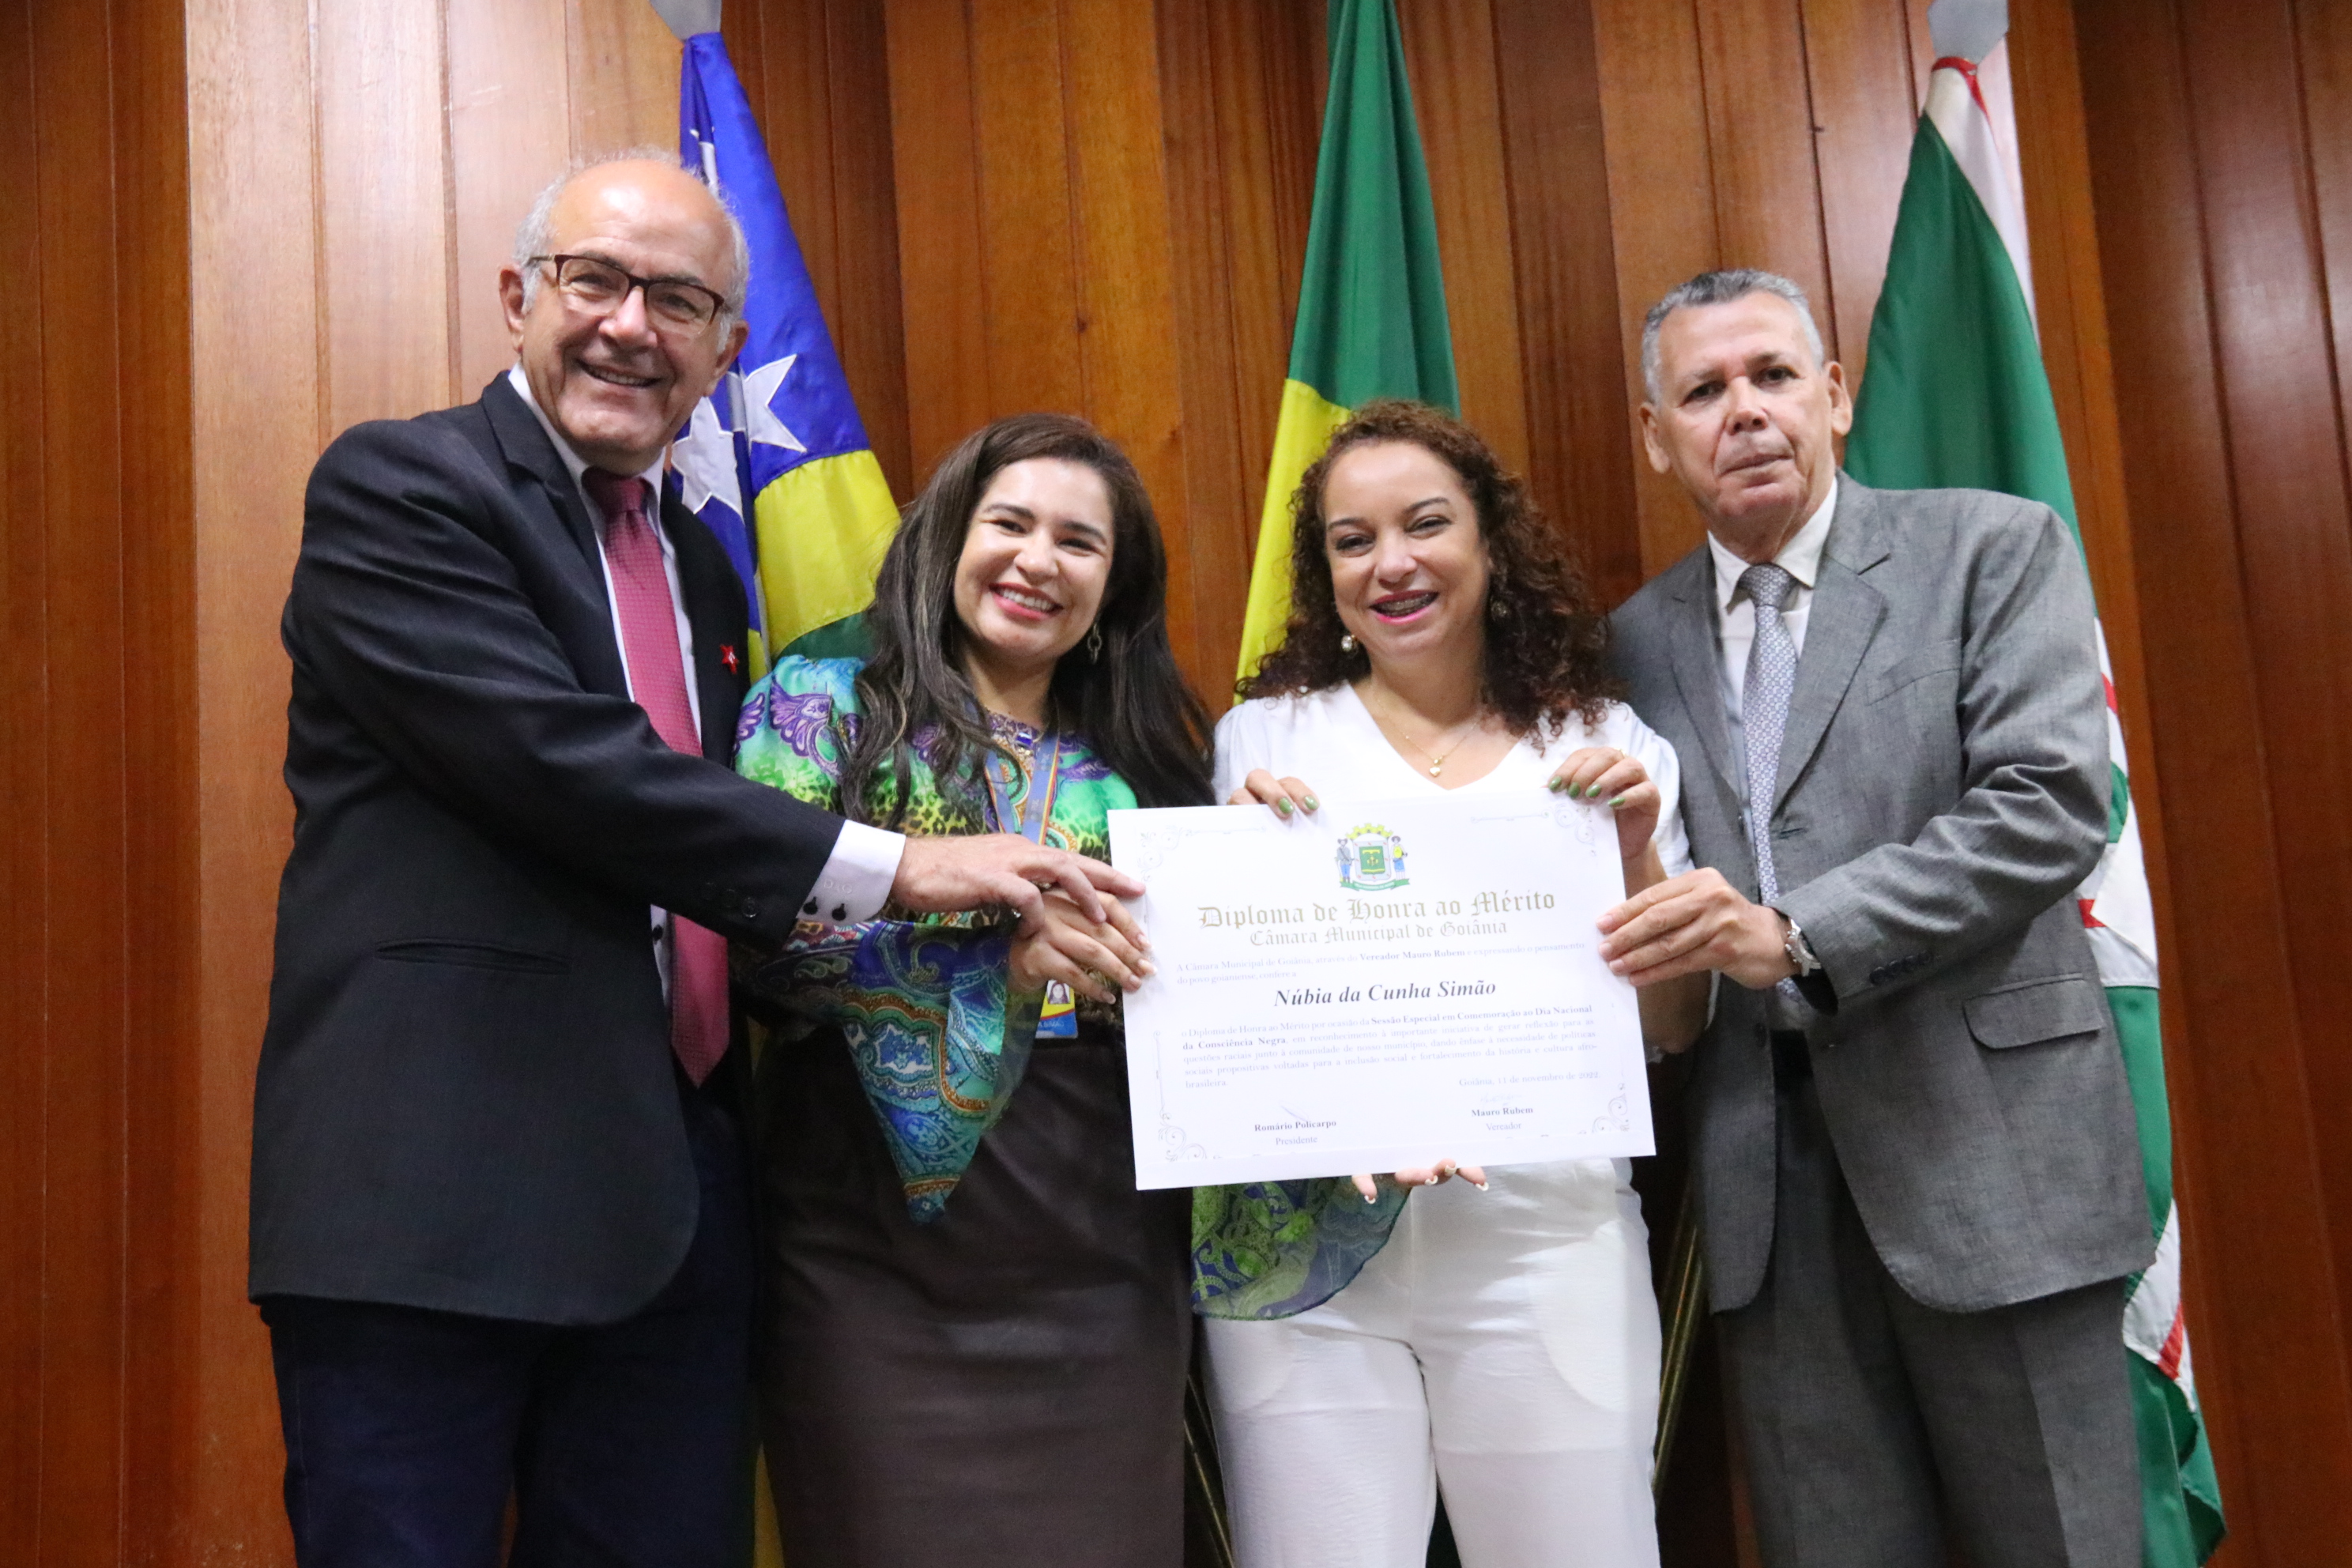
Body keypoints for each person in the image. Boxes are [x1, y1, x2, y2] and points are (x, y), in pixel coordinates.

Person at [248, 156, 1139, 1568]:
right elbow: (561, 766)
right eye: (594, 280)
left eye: (679, 300)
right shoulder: (405, 487)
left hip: (675, 1206)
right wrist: (903, 866)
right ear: (517, 298)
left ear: (726, 351)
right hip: (435, 1193)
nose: (631, 325)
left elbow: (723, 882)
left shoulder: (704, 573)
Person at [1600, 268, 2149, 1568]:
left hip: (1995, 1163)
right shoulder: (1629, 645)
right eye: (1705, 391)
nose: (1745, 412)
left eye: (1774, 376)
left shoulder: (1991, 549)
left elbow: (2049, 802)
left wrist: (1798, 934)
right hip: (1770, 1197)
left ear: (1836, 396)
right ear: (1658, 436)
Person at [1200, 401, 1709, 1568]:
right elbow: (1227, 1025)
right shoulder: (1261, 744)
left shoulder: (1608, 747)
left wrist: (1634, 858)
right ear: (1324, 573)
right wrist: (1229, 881)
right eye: (1353, 540)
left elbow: (1675, 1029)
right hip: (1307, 1264)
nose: (1392, 564)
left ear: (1490, 542)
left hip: (1543, 1243)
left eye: (1426, 524)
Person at [733, 412, 1215, 1566]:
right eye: (1011, 523)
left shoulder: (1146, 756)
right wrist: (997, 963)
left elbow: (1207, 997)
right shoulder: (823, 703)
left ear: (1115, 585)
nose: (1038, 561)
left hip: (1101, 1246)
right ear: (950, 533)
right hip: (867, 1247)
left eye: (1079, 542)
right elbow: (763, 948)